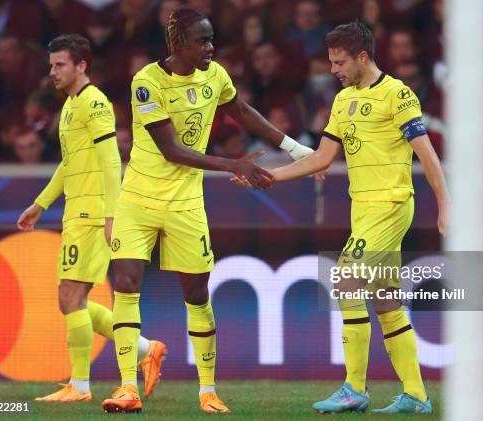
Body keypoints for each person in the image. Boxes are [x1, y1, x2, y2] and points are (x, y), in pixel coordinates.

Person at [100, 7, 314, 414]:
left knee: (196, 293)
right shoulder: (146, 82)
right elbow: (171, 149)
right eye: (202, 40)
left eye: (212, 39)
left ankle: (207, 391)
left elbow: (242, 112)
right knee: (126, 283)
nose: (211, 47)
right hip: (139, 199)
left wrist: (294, 148)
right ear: (179, 43)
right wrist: (233, 164)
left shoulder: (215, 76)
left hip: (186, 202)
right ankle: (127, 386)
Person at [244, 21, 449, 414]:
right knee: (386, 301)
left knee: (345, 279)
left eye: (339, 62)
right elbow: (321, 158)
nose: (333, 70)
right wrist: (269, 177)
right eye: (330, 62)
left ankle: (355, 387)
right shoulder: (342, 101)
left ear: (362, 57)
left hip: (390, 204)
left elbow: (427, 154)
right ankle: (417, 395)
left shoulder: (397, 94)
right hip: (364, 208)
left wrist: (445, 204)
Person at [16, 34, 166, 403]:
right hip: (76, 211)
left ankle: (80, 386)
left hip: (93, 212)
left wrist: (111, 216)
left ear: (82, 66)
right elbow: (71, 165)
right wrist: (41, 204)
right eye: (51, 65)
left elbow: (111, 161)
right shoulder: (70, 105)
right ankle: (147, 350)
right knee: (72, 300)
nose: (53, 72)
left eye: (60, 65)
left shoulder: (95, 103)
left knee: (71, 296)